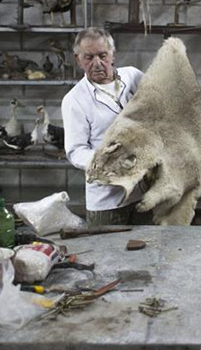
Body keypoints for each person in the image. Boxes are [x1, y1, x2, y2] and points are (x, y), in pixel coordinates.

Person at [61, 27, 145, 226]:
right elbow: (75, 151)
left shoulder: (132, 77)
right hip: (107, 200)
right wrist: (106, 158)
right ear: (78, 59)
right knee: (106, 254)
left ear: (112, 55)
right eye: (89, 57)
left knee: (151, 250)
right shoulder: (75, 99)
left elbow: (158, 101)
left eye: (102, 55)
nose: (97, 63)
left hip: (144, 194)